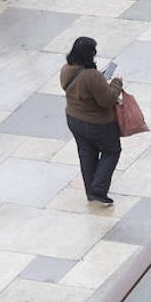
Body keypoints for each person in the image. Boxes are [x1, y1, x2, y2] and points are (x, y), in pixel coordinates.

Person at [61, 36, 123, 206]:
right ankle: (99, 189)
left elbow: (81, 88)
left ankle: (91, 192)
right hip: (98, 124)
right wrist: (116, 83)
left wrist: (99, 82)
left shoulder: (67, 69)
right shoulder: (92, 76)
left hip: (73, 119)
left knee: (86, 153)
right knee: (112, 151)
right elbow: (108, 100)